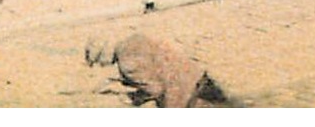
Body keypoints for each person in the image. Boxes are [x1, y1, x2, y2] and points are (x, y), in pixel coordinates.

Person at [85, 33, 231, 108]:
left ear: (103, 54)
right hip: (199, 76)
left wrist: (133, 98)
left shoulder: (127, 64)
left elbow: (155, 89)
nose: (101, 65)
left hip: (187, 96)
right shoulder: (134, 39)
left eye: (98, 61)